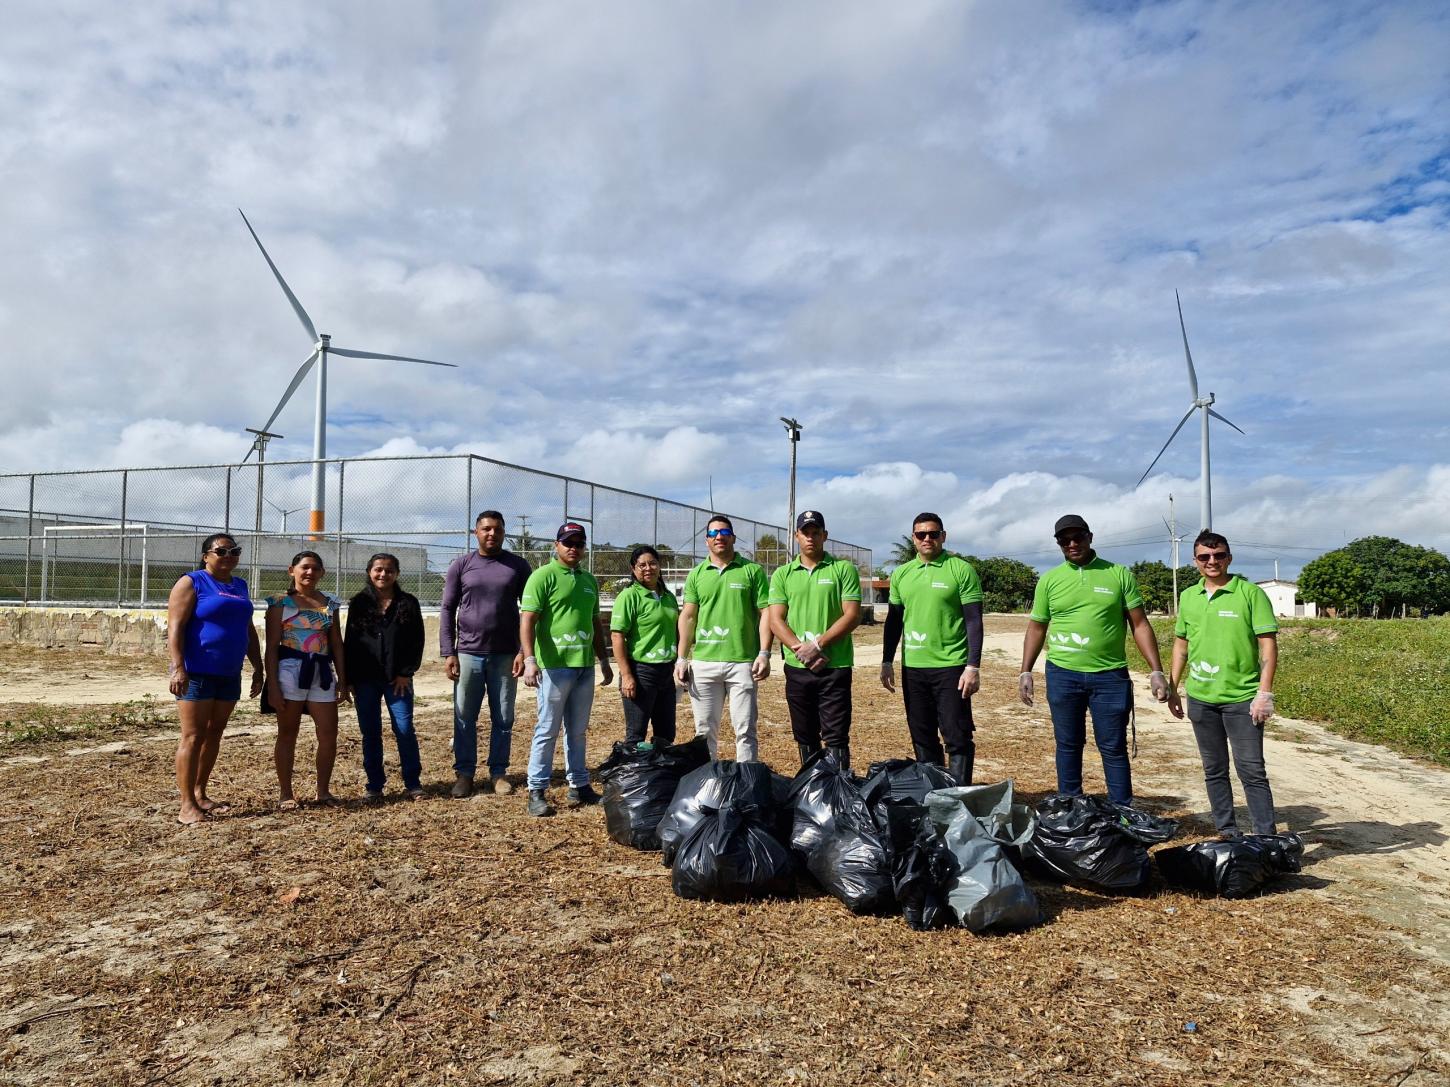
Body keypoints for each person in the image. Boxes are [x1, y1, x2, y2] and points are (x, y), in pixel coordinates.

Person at [1019, 515, 1170, 806]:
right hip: (1063, 674)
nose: (1072, 544)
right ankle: (1070, 806)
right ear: (1058, 543)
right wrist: (1025, 671)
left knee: (1113, 746)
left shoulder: (1118, 574)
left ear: (1090, 536)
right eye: (1065, 540)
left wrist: (1156, 671)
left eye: (1078, 537)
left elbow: (1139, 624)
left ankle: (1121, 810)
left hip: (1110, 676)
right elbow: (1037, 626)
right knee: (1068, 745)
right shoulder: (1050, 580)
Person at [1168, 531, 1280, 838]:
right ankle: (1228, 832)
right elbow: (1181, 645)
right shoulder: (1189, 596)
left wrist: (1264, 693)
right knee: (1214, 770)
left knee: (1252, 771)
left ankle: (1266, 839)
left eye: (1218, 556)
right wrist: (1173, 687)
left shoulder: (1249, 594)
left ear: (1229, 557)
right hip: (1201, 699)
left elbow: (1267, 646)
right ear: (1195, 561)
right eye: (1204, 557)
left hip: (1242, 699)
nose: (1212, 562)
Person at [166, 533, 263, 825]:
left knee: (214, 733)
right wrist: (178, 666)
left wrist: (258, 667)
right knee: (193, 736)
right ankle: (186, 805)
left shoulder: (240, 585)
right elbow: (175, 627)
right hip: (197, 672)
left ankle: (200, 792)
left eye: (235, 551)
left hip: (229, 673)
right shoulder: (192, 582)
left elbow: (248, 630)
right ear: (206, 555)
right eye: (222, 551)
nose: (229, 556)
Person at [880, 512, 984, 784]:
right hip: (914, 666)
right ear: (914, 539)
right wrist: (887, 661)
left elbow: (974, 621)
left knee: (956, 734)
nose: (927, 538)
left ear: (943, 536)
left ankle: (959, 795)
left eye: (933, 533)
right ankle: (933, 793)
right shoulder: (902, 573)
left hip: (951, 666)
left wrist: (972, 666)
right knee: (922, 733)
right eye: (921, 534)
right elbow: (893, 622)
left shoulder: (961, 569)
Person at [521, 522, 613, 817]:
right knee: (547, 729)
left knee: (577, 731)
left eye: (579, 543)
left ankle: (580, 785)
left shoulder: (588, 580)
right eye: (567, 542)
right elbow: (527, 621)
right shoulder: (542, 577)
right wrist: (530, 660)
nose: (573, 548)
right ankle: (537, 789)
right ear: (556, 545)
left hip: (583, 667)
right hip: (554, 667)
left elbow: (595, 624)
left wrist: (603, 661)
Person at [440, 510, 532, 798]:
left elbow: (529, 612)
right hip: (468, 653)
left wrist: (523, 652)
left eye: (497, 530)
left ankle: (498, 772)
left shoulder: (517, 566)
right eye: (486, 529)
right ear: (476, 532)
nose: (492, 534)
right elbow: (447, 608)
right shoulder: (462, 565)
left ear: (504, 533)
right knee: (465, 716)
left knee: (503, 716)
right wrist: (449, 652)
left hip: (506, 655)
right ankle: (464, 773)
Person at [674, 514, 773, 763]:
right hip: (704, 664)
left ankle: (747, 786)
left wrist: (764, 652)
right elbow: (688, 616)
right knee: (704, 732)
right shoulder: (697, 574)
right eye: (713, 534)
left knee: (745, 731)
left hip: (742, 663)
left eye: (725, 533)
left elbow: (766, 613)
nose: (719, 537)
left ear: (733, 538)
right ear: (706, 540)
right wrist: (681, 658)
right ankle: (708, 784)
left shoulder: (752, 571)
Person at [768, 511, 862, 768]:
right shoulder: (783, 574)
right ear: (797, 536)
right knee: (805, 734)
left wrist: (818, 645)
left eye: (816, 532)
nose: (811, 537)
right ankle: (811, 793)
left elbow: (852, 615)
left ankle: (838, 793)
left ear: (825, 535)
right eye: (805, 532)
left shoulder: (843, 569)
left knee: (836, 735)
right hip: (798, 668)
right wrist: (802, 650)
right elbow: (775, 620)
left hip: (835, 665)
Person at [265, 550, 348, 809]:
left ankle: (323, 791)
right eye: (304, 567)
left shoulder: (330, 603)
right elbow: (271, 647)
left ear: (322, 572)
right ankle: (286, 794)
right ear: (292, 571)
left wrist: (343, 680)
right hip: (289, 671)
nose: (310, 572)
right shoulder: (279, 602)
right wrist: (273, 686)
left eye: (315, 568)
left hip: (322, 672)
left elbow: (336, 642)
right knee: (288, 733)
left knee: (328, 734)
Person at [345, 553, 426, 802]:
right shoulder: (359, 603)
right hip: (365, 679)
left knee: (404, 729)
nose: (383, 574)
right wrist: (348, 678)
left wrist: (405, 672)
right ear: (370, 572)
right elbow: (350, 641)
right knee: (370, 732)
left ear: (397, 574)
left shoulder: (408, 603)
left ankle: (412, 783)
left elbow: (417, 640)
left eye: (389, 570)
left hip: (397, 680)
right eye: (378, 569)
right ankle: (375, 785)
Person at [610, 545, 680, 747]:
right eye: (642, 565)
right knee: (636, 734)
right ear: (633, 569)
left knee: (666, 734)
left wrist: (677, 660)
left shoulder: (668, 597)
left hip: (665, 671)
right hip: (641, 672)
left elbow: (675, 629)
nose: (648, 568)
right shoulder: (629, 596)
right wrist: (627, 675)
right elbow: (617, 636)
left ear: (660, 566)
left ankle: (659, 776)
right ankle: (633, 776)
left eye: (652, 563)